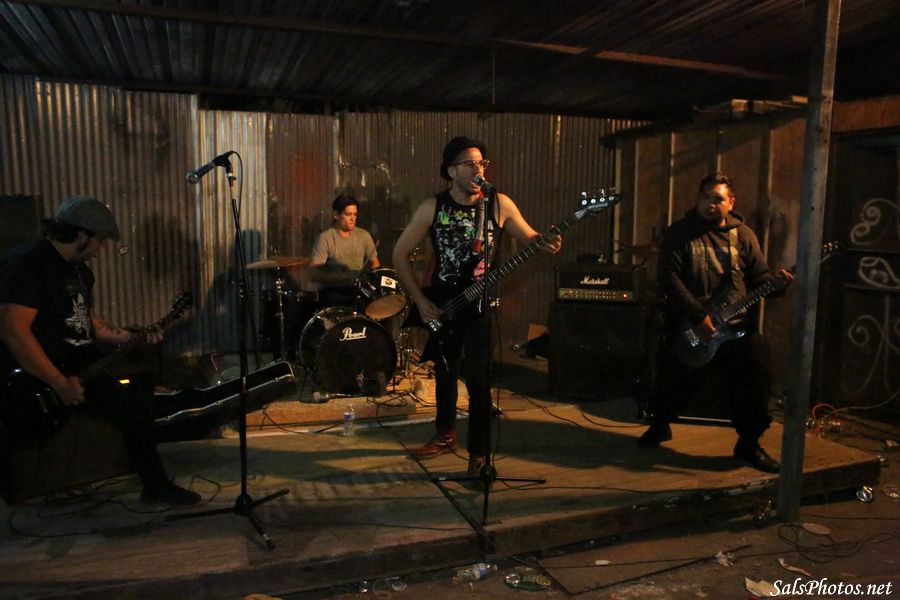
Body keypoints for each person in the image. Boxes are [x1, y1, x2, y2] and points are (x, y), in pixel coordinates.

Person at [0, 196, 201, 505]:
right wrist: (58, 382)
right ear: (82, 235)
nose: (101, 249)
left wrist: (131, 337)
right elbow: (13, 331)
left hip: (81, 364)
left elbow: (89, 324)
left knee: (138, 402)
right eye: (100, 240)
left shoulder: (80, 271)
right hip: (40, 376)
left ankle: (154, 484)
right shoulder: (28, 265)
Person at [392, 136, 562, 476]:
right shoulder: (432, 207)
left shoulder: (499, 204)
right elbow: (399, 254)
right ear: (451, 171)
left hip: (481, 305)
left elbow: (529, 236)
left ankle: (479, 455)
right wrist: (421, 302)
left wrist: (545, 241)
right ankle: (445, 433)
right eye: (469, 164)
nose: (478, 169)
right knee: (445, 372)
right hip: (444, 304)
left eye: (481, 163)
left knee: (480, 381)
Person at [637, 173, 793, 473]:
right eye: (705, 197)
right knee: (672, 380)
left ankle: (749, 444)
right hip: (690, 323)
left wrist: (777, 286)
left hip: (735, 328)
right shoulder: (680, 232)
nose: (710, 204)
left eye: (717, 198)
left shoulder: (743, 235)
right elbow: (669, 277)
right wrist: (698, 316)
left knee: (756, 379)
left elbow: (759, 277)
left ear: (731, 202)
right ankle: (660, 425)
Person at [307, 194, 380, 308]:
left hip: (358, 293)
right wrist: (341, 276)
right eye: (348, 214)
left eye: (355, 214)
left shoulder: (363, 235)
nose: (352, 219)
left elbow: (375, 264)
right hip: (334, 296)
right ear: (336, 215)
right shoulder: (325, 238)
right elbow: (313, 273)